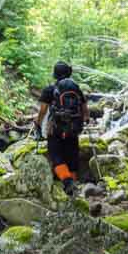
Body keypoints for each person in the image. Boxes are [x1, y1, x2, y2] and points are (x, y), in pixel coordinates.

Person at [34, 61, 90, 195]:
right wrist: (86, 119)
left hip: (56, 128)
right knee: (72, 156)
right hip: (73, 128)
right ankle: (74, 189)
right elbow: (84, 108)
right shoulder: (76, 88)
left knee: (56, 155)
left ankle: (67, 182)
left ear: (55, 74)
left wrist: (38, 123)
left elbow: (43, 110)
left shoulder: (50, 89)